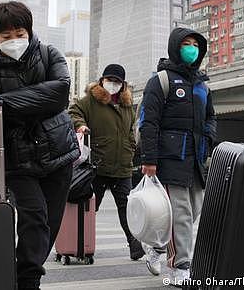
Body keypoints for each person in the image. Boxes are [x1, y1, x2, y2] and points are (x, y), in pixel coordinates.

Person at [0, 1, 78, 290]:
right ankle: (27, 282)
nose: (14, 40)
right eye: (6, 36)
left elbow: (59, 92)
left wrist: (7, 103)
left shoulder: (49, 54)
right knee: (35, 218)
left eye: (19, 32)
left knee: (49, 226)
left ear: (29, 30)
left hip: (58, 155)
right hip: (18, 161)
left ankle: (23, 275)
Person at [138, 27, 217, 285]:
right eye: (186, 43)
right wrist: (149, 159)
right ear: (175, 47)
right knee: (180, 213)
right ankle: (180, 266)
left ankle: (158, 248)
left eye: (195, 44)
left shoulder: (202, 86)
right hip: (169, 158)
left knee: (193, 210)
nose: (191, 48)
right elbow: (148, 122)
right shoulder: (161, 81)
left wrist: (207, 138)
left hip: (195, 159)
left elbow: (210, 117)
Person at [68, 64, 145, 261]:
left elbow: (130, 130)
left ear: (123, 84)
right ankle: (77, 243)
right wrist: (81, 125)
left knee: (126, 207)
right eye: (109, 80)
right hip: (97, 166)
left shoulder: (127, 104)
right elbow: (73, 112)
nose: (113, 84)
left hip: (122, 166)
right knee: (89, 208)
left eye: (117, 82)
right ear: (102, 80)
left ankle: (134, 245)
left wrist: (130, 146)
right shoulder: (90, 101)